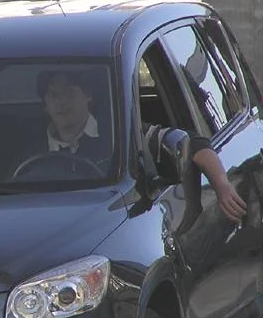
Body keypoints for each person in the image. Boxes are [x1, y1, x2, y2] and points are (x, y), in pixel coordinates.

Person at [26, 68, 246, 224]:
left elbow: (194, 144)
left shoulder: (121, 133)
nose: (61, 102)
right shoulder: (29, 146)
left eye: (69, 92)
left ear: (88, 95)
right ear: (45, 105)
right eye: (53, 95)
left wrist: (222, 185)